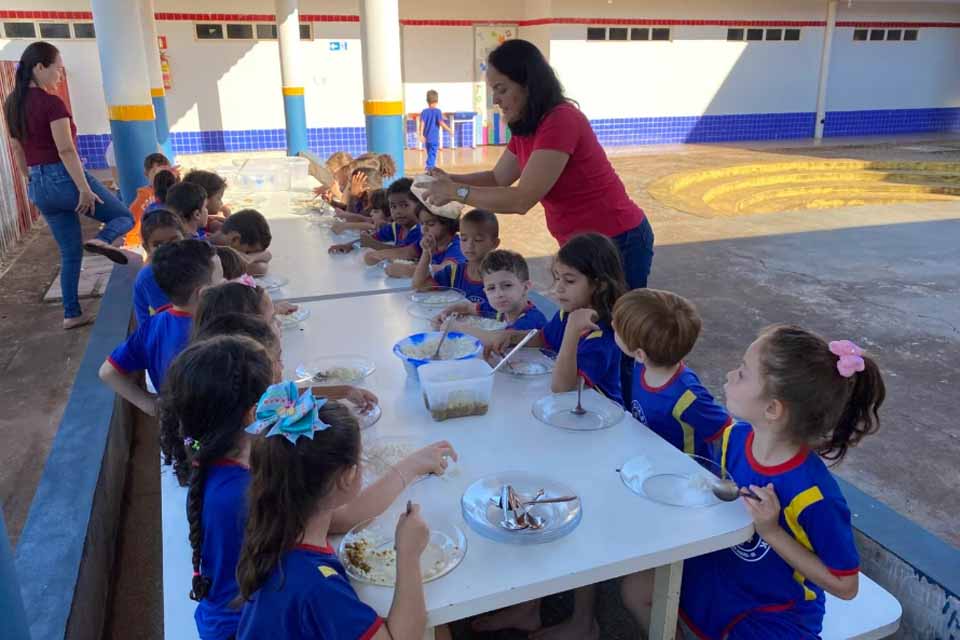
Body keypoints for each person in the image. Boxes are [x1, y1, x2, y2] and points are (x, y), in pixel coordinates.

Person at [621, 326, 885, 639]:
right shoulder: (734, 438)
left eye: (743, 373)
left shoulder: (814, 495)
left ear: (773, 409)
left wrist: (772, 531)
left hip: (772, 607)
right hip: (721, 572)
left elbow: (846, 585)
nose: (731, 374)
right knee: (636, 588)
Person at [419, 39, 654, 291]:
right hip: (580, 243)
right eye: (493, 91)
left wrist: (456, 192)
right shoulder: (526, 126)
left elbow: (521, 199)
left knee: (615, 323)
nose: (496, 99)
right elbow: (498, 177)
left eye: (501, 89)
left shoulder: (561, 120)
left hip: (618, 240)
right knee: (588, 322)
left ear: (529, 85)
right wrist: (449, 180)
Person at [235, 395, 443, 640]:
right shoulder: (319, 588)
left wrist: (411, 466)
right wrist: (408, 554)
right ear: (348, 475)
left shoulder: (281, 520)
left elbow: (353, 514)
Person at [4, 42, 135, 328]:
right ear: (39, 67)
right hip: (65, 178)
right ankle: (103, 240)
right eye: (57, 69)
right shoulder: (52, 104)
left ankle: (71, 313)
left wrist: (31, 180)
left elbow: (16, 149)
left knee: (69, 252)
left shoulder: (11, 103)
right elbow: (65, 149)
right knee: (123, 216)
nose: (59, 76)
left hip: (38, 185)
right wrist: (84, 189)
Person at [488, 233, 626, 404]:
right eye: (558, 278)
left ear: (599, 285)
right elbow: (544, 338)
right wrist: (513, 336)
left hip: (601, 415)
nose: (558, 288)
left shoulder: (602, 336)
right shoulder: (567, 312)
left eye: (569, 281)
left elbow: (562, 387)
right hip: (570, 409)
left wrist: (572, 330)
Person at [98, 240, 223, 415]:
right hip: (212, 429)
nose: (226, 283)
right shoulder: (210, 332)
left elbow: (107, 372)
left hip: (176, 428)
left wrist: (151, 406)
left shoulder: (154, 323)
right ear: (202, 293)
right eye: (221, 281)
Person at [612, 289, 732, 459]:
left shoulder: (688, 396)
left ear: (640, 353)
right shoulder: (642, 365)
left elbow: (726, 429)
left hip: (682, 474)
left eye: (617, 329)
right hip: (649, 457)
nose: (611, 326)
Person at [438, 249, 547, 336]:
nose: (499, 294)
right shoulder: (500, 310)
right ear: (485, 291)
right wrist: (446, 313)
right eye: (491, 288)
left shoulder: (531, 320)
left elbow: (497, 339)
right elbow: (467, 307)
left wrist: (457, 327)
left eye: (507, 285)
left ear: (526, 287)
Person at [414, 209, 500, 312]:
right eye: (464, 239)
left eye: (478, 240)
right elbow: (420, 285)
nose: (469, 245)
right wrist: (426, 253)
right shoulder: (454, 273)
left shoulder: (501, 278)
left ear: (495, 243)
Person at [329, 178, 422, 257]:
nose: (398, 211)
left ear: (419, 205)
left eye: (404, 205)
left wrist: (375, 245)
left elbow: (405, 253)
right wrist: (349, 246)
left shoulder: (420, 230)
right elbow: (371, 239)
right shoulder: (396, 227)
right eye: (393, 206)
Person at [133, 209, 184, 326]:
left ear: (185, 238)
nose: (168, 249)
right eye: (158, 245)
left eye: (174, 241)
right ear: (147, 248)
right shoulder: (149, 277)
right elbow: (172, 320)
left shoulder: (190, 260)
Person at [124, 152, 173, 248]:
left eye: (164, 173)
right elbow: (132, 221)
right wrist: (133, 242)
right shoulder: (145, 196)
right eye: (155, 173)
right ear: (146, 174)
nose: (161, 177)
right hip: (141, 243)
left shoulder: (174, 194)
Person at [206, 209, 273, 275]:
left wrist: (249, 258)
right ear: (235, 239)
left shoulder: (221, 233)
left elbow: (268, 254)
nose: (250, 254)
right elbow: (260, 268)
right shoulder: (211, 256)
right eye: (248, 252)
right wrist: (249, 258)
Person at [418, 89, 454, 171]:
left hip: (427, 138)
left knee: (430, 154)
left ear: (427, 101)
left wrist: (421, 134)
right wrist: (449, 129)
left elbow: (422, 123)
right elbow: (441, 123)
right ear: (436, 101)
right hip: (434, 138)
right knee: (433, 154)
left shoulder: (424, 112)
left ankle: (430, 167)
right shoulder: (438, 112)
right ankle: (429, 168)